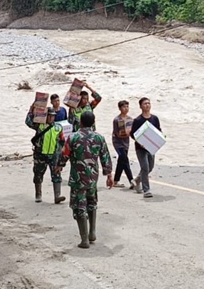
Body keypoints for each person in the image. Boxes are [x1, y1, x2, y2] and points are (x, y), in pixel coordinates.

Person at [57, 112, 112, 249]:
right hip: (93, 178)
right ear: (93, 122)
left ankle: (84, 239)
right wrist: (109, 174)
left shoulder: (73, 137)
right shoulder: (99, 137)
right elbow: (105, 157)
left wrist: (59, 166)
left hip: (78, 178)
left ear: (80, 122)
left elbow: (64, 154)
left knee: (79, 206)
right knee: (92, 203)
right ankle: (92, 232)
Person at [26, 106, 66, 203]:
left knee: (56, 175)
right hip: (40, 155)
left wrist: (61, 157)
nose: (51, 118)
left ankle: (57, 196)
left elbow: (62, 141)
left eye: (53, 116)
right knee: (38, 174)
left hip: (54, 156)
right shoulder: (39, 126)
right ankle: (38, 195)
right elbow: (28, 122)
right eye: (49, 116)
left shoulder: (58, 128)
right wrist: (31, 110)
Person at [130, 97, 161, 198]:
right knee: (145, 167)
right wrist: (140, 142)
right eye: (145, 104)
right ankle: (146, 190)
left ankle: (137, 180)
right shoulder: (138, 120)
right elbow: (132, 134)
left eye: (148, 103)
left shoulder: (155, 118)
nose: (147, 105)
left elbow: (158, 131)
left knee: (150, 167)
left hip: (151, 147)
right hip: (141, 148)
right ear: (140, 106)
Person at [112, 101, 135, 188]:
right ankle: (132, 181)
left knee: (121, 162)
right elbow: (118, 134)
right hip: (118, 143)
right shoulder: (118, 120)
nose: (126, 108)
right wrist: (128, 133)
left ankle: (115, 181)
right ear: (120, 108)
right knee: (125, 161)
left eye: (127, 106)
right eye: (124, 107)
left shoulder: (130, 119)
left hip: (126, 143)